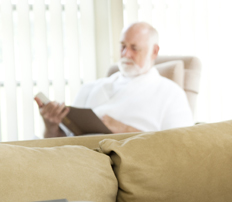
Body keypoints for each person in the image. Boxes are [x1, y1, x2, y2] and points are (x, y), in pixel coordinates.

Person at [35, 22, 193, 138]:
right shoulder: (90, 88)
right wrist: (52, 126)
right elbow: (61, 144)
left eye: (134, 48)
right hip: (75, 158)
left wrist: (124, 129)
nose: (126, 54)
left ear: (154, 51)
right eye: (123, 46)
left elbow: (179, 146)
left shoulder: (171, 94)